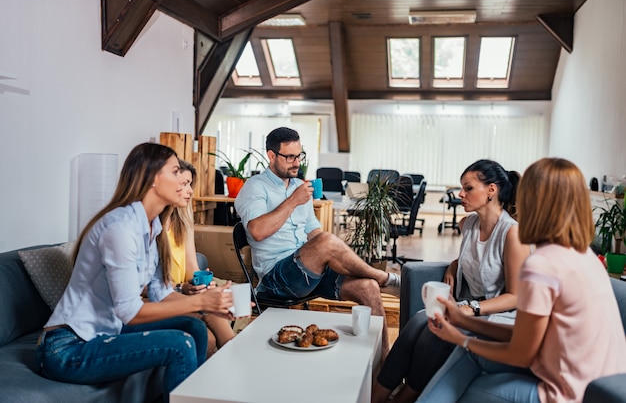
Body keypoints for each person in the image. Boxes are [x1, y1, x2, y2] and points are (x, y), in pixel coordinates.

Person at [36, 143, 234, 400]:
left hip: (106, 332)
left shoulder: (151, 228)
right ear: (153, 179)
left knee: (193, 328)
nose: (184, 184)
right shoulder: (120, 228)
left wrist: (211, 305)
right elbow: (129, 312)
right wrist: (200, 301)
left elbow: (161, 294)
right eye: (175, 173)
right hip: (68, 347)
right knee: (179, 344)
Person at [419, 157, 626, 403]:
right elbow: (524, 337)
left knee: (470, 382)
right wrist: (463, 319)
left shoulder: (542, 264)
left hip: (572, 394)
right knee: (472, 353)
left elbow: (521, 354)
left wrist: (460, 338)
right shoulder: (584, 256)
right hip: (601, 384)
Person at [373, 159, 530, 403]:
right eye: (462, 187)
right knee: (417, 321)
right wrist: (455, 265)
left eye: (468, 188)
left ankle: (402, 399)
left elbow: (515, 296)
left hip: (497, 315)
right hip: (470, 307)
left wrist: (470, 308)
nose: (461, 194)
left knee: (435, 333)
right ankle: (375, 396)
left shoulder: (512, 233)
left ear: (491, 190)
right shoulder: (468, 224)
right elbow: (476, 255)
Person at [234, 126, 400, 358]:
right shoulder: (254, 187)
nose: (296, 162)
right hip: (277, 279)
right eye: (289, 157)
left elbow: (314, 233)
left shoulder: (298, 187)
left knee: (368, 288)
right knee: (326, 242)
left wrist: (336, 254)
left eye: (299, 155)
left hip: (307, 272)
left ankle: (384, 369)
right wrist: (293, 201)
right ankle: (385, 278)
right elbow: (257, 231)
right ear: (271, 156)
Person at [161, 159, 236, 356]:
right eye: (184, 184)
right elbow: (147, 285)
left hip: (180, 293)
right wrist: (182, 287)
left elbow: (192, 269)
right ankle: (238, 356)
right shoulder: (150, 225)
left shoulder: (182, 222)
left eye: (190, 184)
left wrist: (202, 282)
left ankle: (236, 356)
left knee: (218, 297)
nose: (190, 191)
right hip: (160, 297)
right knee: (209, 337)